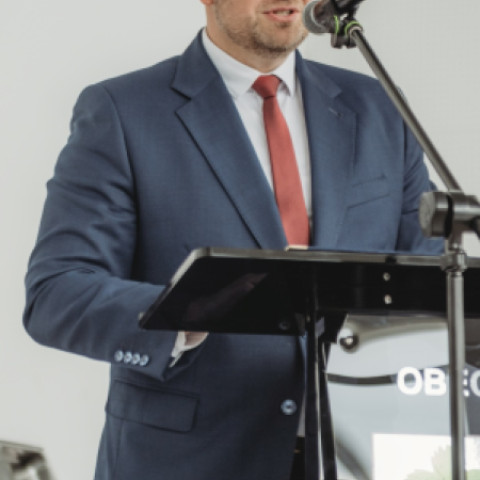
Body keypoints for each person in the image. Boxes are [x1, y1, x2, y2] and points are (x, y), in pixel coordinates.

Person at [23, 1, 443, 479]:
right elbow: (56, 292)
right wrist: (183, 315)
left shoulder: (379, 106)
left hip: (357, 456)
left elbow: (428, 279)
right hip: (190, 461)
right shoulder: (122, 110)